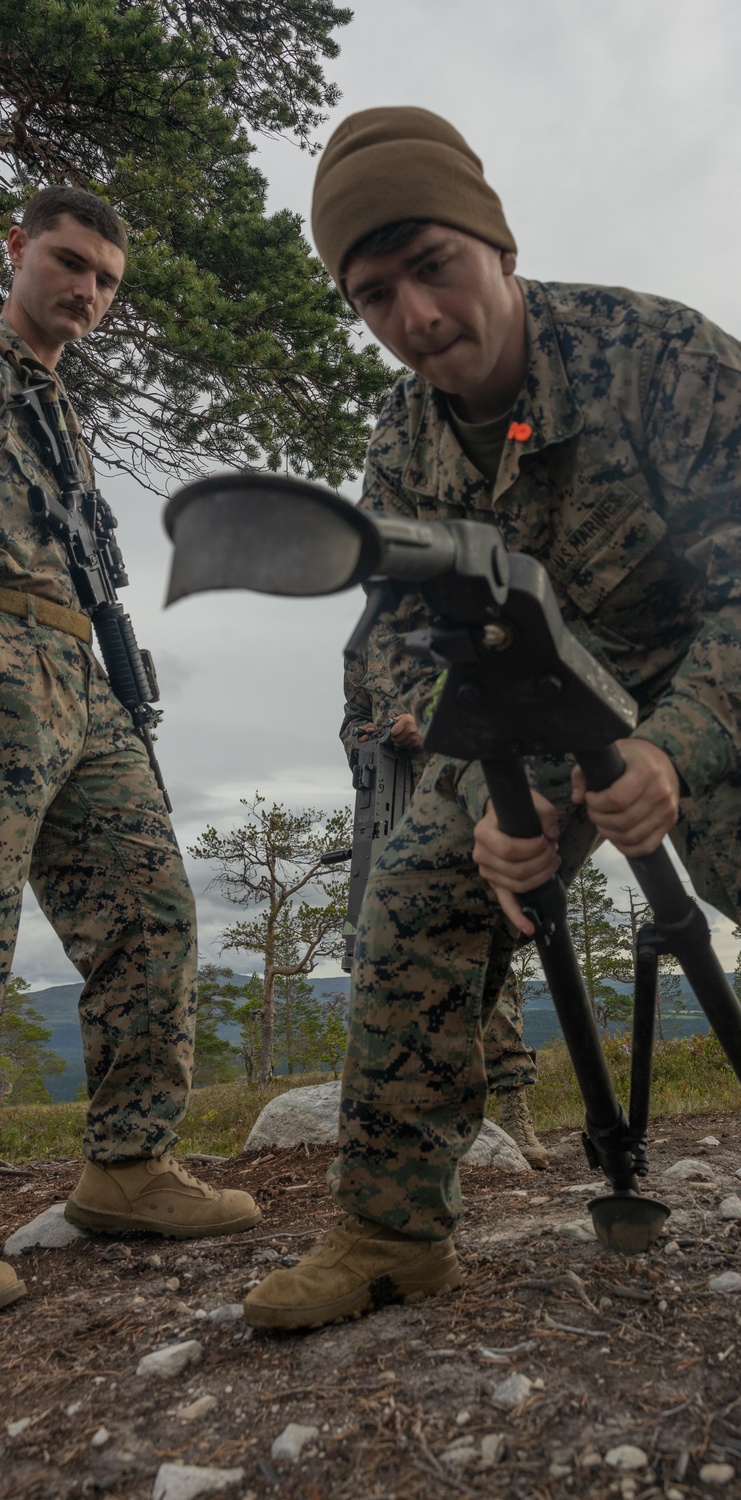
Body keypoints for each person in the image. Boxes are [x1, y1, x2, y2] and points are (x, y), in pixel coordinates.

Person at [244, 108, 741, 1407]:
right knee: (421, 887)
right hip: (533, 708)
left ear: (497, 241)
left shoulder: (657, 354)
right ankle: (389, 1228)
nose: (416, 315)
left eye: (433, 266)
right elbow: (398, 629)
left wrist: (678, 745)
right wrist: (484, 788)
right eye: (375, 295)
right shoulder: (405, 442)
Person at [0, 188, 259, 1305]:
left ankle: (128, 1166)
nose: (86, 292)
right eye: (68, 263)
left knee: (152, 910)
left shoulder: (58, 407)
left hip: (78, 674)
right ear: (15, 249)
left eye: (105, 280)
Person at [341, 644, 547, 1167]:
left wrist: (426, 726)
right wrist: (367, 738)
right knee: (393, 945)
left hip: (466, 793)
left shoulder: (453, 602)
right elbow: (351, 717)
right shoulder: (363, 640)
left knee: (479, 938)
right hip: (390, 802)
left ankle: (512, 1110)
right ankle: (415, 1116)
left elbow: (503, 697)